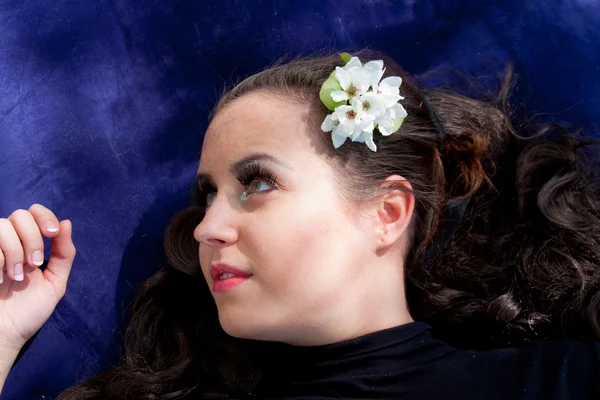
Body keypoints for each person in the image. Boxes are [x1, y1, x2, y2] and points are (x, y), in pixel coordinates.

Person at [0, 49, 599, 399]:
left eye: (256, 182)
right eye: (207, 196)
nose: (206, 229)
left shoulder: (555, 381)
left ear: (386, 213)